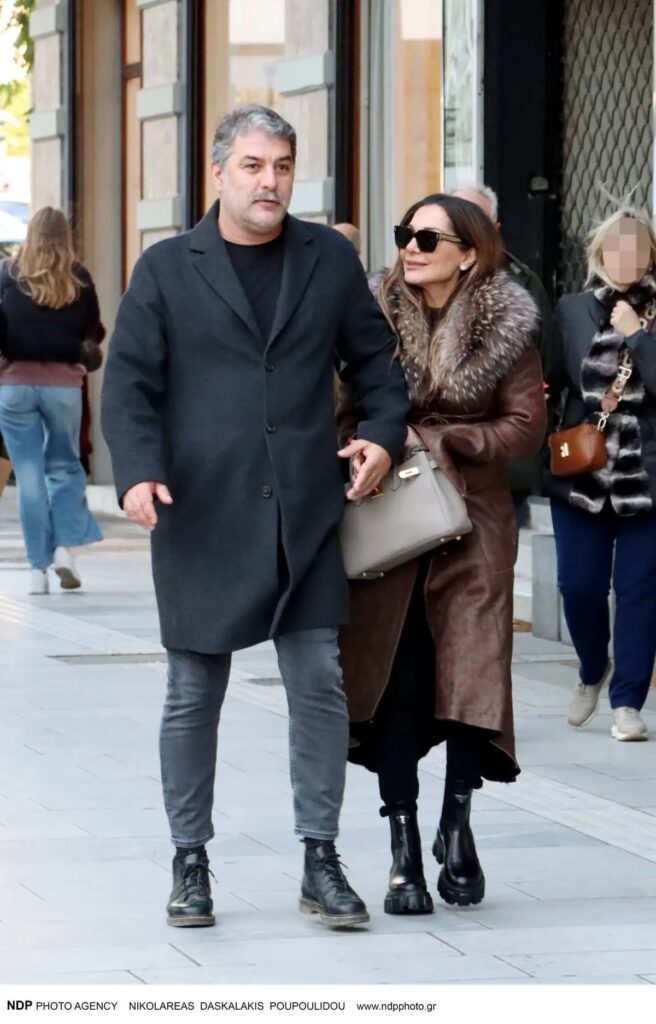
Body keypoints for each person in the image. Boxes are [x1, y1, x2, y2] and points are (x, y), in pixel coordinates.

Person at [101, 104, 409, 931]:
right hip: (199, 512)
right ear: (218, 174)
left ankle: (320, 858)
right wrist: (138, 472)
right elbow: (129, 385)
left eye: (281, 167)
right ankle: (189, 860)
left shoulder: (327, 259)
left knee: (318, 683)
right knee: (192, 691)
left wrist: (381, 438)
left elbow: (378, 366)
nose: (269, 181)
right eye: (252, 166)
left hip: (304, 512)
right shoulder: (167, 268)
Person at [337, 194, 546, 914]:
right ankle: (402, 846)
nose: (411, 247)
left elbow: (525, 427)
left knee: (469, 678)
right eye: (405, 234)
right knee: (395, 682)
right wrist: (363, 445)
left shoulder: (503, 324)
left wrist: (444, 440)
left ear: (469, 253)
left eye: (429, 238)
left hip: (473, 519)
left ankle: (456, 823)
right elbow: (344, 408)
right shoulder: (371, 316)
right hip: (389, 520)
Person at [547, 206, 656, 742]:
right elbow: (548, 380)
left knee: (639, 591)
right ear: (599, 254)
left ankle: (628, 703)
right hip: (581, 472)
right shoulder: (572, 309)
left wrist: (638, 335)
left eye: (637, 248)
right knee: (578, 586)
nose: (625, 256)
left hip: (648, 477)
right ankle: (594, 667)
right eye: (616, 247)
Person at [0, 207, 104, 594]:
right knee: (64, 467)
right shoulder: (78, 277)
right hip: (63, 386)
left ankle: (36, 571)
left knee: (28, 477)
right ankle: (63, 549)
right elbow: (93, 329)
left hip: (15, 384)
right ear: (65, 235)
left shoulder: (8, 272)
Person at [450, 183, 555, 526]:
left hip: (502, 462)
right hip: (434, 459)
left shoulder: (524, 284)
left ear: (494, 228)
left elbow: (546, 364)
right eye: (455, 219)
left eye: (475, 219)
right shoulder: (419, 279)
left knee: (496, 552)